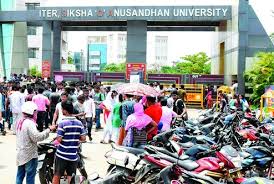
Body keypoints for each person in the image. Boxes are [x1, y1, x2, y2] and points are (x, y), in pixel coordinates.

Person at [16, 101, 56, 184]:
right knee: (30, 176)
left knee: (20, 175)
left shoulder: (20, 121)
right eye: (35, 112)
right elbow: (37, 137)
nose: (36, 113)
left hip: (21, 152)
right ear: (32, 112)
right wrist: (49, 130)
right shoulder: (30, 123)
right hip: (29, 154)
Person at [52, 100, 86, 184]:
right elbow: (83, 138)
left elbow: (59, 139)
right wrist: (74, 139)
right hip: (73, 155)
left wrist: (55, 139)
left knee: (57, 175)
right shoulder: (79, 123)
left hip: (62, 155)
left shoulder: (62, 123)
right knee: (70, 176)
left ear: (64, 110)